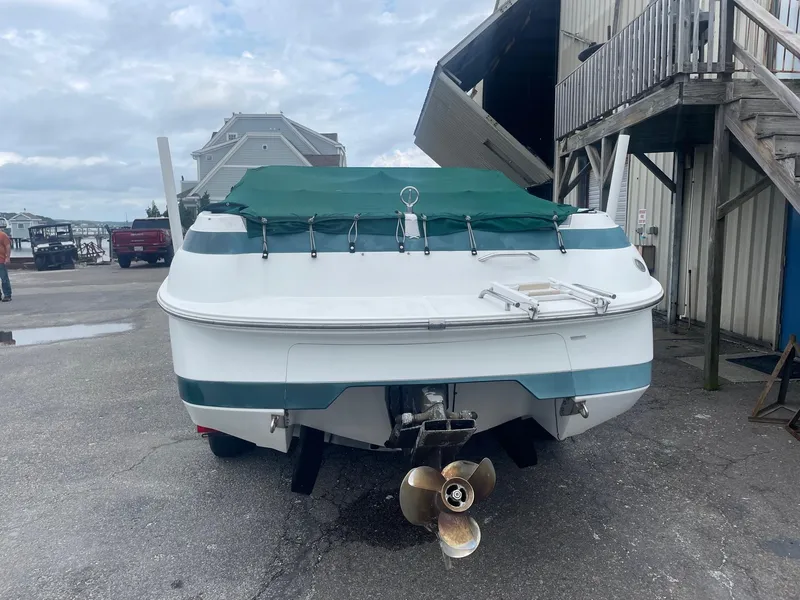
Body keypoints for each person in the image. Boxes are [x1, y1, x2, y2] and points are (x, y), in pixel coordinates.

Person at [0, 227, 11, 302]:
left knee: (4, 279)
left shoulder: (3, 235)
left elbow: (8, 246)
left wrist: (7, 257)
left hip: (1, 260)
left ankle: (7, 295)